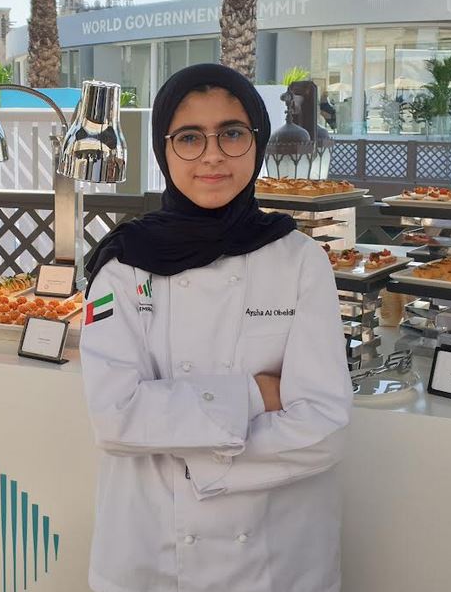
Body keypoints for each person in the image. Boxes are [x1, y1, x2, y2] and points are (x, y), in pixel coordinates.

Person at [80, 63, 353, 592]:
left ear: (257, 141)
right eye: (189, 137)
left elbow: (324, 427)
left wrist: (191, 457)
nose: (212, 155)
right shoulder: (123, 265)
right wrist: (257, 394)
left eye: (231, 133)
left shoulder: (299, 261)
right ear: (163, 150)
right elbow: (113, 416)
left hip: (274, 557)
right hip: (150, 548)